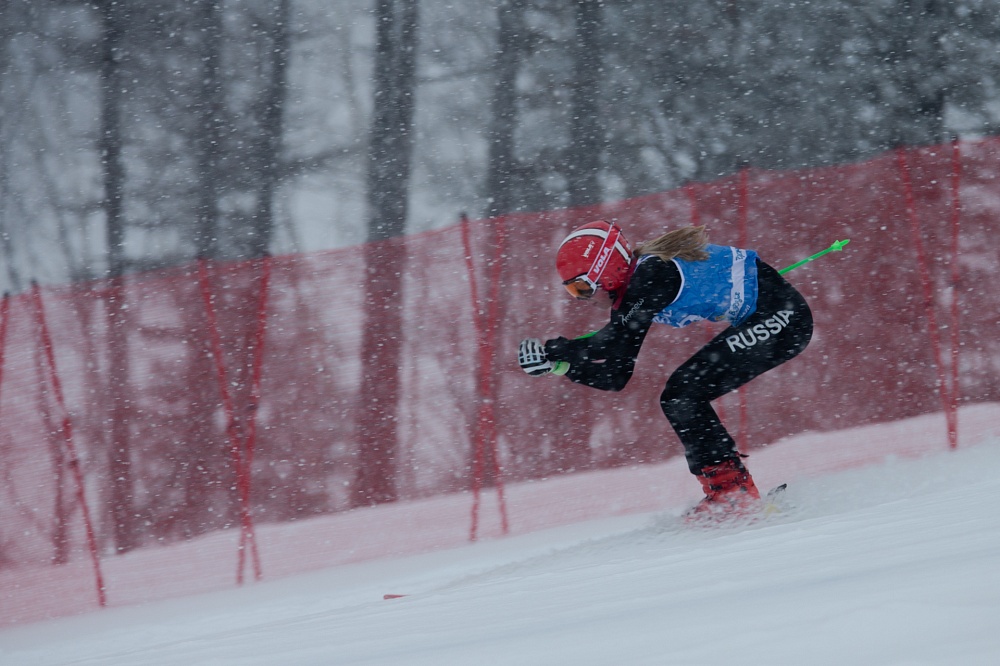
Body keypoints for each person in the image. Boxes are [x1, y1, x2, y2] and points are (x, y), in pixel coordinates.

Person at [517, 220, 813, 519]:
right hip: (770, 316)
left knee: (684, 393)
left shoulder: (650, 275)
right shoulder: (635, 288)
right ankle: (729, 492)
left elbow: (611, 345)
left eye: (581, 287)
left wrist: (558, 348)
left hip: (783, 318)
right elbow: (616, 375)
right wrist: (559, 366)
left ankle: (732, 495)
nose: (581, 298)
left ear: (607, 273)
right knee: (681, 394)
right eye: (572, 291)